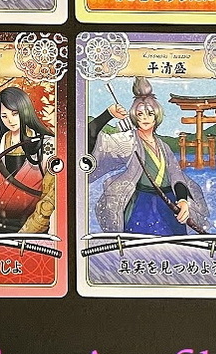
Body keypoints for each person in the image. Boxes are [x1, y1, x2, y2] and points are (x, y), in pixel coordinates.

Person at [87, 77, 209, 235]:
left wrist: (182, 200)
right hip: (142, 204)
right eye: (140, 114)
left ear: (156, 116)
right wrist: (108, 114)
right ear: (134, 116)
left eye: (150, 113)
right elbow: (88, 138)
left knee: (174, 245)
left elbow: (176, 175)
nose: (145, 117)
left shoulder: (164, 146)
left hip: (169, 204)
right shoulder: (128, 141)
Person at [0, 86, 56, 234]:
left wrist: (25, 234)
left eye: (15, 113)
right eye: (4, 116)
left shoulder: (47, 146)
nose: (10, 120)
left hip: (33, 233)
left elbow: (49, 198)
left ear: (25, 110)